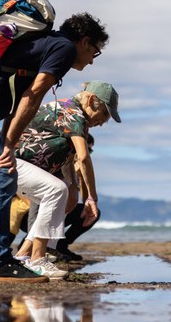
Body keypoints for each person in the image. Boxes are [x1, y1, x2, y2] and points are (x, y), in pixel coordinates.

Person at [0, 10, 108, 283]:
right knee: (1, 178)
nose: (90, 62)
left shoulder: (46, 47)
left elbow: (16, 106)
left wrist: (9, 142)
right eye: (95, 53)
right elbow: (33, 95)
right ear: (85, 41)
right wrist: (7, 144)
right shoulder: (63, 48)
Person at [13, 81, 121, 279]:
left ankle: (23, 255)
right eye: (105, 113)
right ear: (91, 100)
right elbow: (83, 156)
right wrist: (91, 199)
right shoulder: (72, 112)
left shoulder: (76, 117)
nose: (105, 121)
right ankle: (37, 259)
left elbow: (69, 158)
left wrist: (73, 187)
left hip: (31, 168)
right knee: (56, 190)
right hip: (13, 164)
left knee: (64, 194)